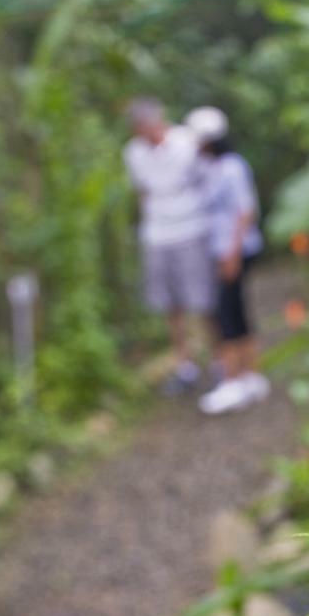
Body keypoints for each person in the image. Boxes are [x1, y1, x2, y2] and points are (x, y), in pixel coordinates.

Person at [123, 97, 214, 395]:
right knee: (170, 304)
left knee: (202, 298)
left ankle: (218, 358)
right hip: (157, 234)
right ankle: (184, 364)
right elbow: (142, 192)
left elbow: (207, 180)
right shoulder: (134, 153)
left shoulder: (186, 142)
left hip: (191, 228)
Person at [184, 106, 269, 414]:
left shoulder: (232, 167)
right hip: (221, 250)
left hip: (234, 251)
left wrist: (231, 254)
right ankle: (250, 374)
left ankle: (232, 380)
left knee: (226, 314)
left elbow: (244, 212)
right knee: (237, 310)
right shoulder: (209, 167)